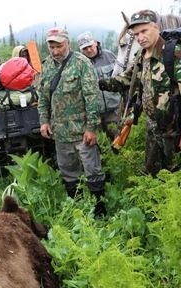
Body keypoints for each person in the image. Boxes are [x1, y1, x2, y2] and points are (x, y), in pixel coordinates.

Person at [99, 10, 181, 176]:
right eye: (136, 34)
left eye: (144, 31)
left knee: (177, 176)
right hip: (152, 128)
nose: (140, 37)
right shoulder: (141, 55)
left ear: (156, 27)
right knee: (151, 174)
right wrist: (98, 84)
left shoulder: (174, 54)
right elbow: (126, 79)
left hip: (173, 132)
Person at [37, 27, 106, 216]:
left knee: (93, 171)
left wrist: (91, 128)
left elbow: (92, 97)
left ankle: (100, 211)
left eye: (59, 46)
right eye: (51, 46)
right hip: (60, 133)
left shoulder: (81, 63)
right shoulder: (47, 65)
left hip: (82, 131)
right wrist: (44, 121)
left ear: (67, 43)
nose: (55, 51)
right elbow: (43, 97)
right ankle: (78, 211)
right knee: (68, 172)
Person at [77, 31, 122, 141]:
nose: (88, 50)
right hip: (93, 114)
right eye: (84, 48)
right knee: (98, 143)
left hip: (114, 110)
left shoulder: (110, 56)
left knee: (117, 139)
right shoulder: (79, 63)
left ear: (96, 43)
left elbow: (121, 78)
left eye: (90, 46)